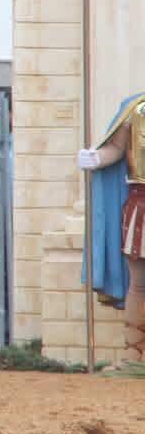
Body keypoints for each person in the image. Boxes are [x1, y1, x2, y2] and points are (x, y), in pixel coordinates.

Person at [78, 92, 145, 363]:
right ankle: (135, 353)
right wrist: (95, 158)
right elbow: (116, 149)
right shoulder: (136, 108)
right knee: (139, 284)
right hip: (142, 202)